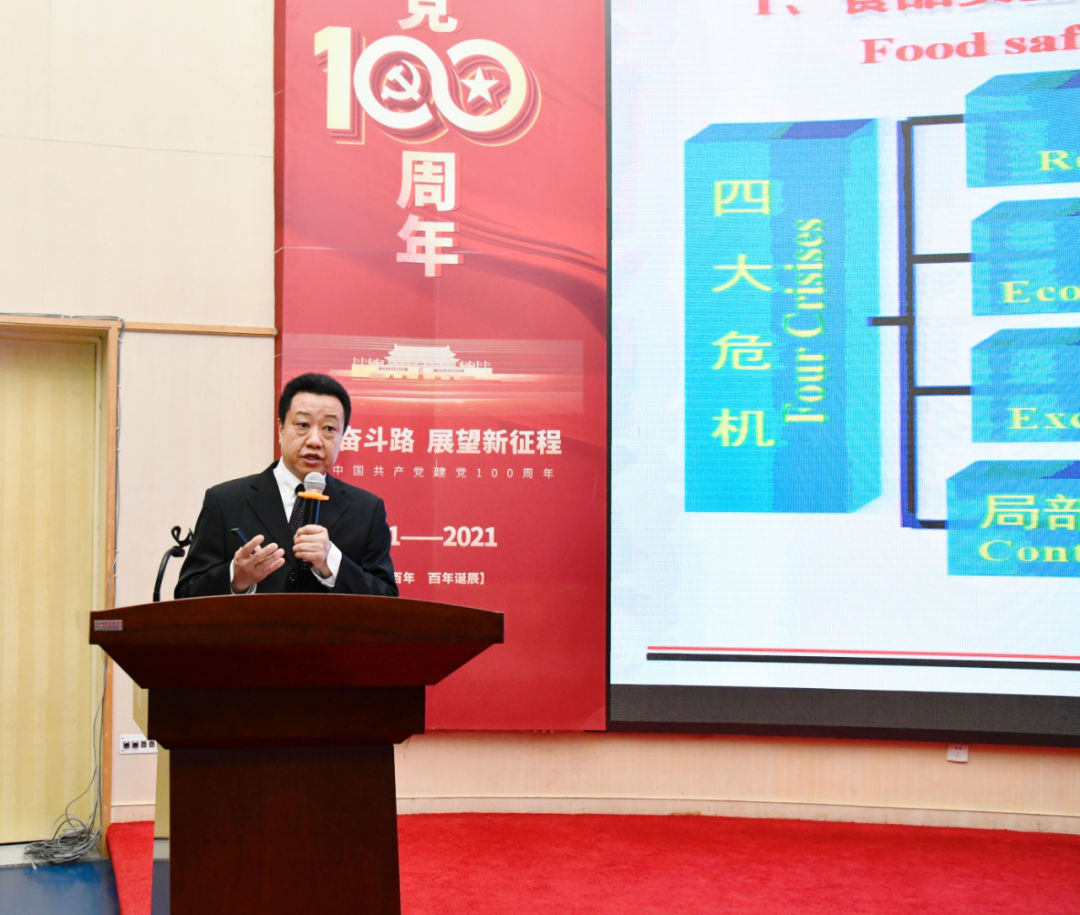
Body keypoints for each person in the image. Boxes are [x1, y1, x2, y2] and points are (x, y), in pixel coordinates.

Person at [175, 373, 398, 598]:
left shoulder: (367, 510)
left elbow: (388, 601)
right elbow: (186, 594)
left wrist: (332, 562)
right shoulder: (225, 501)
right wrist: (236, 578)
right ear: (281, 428)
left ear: (343, 436)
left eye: (329, 428)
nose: (315, 440)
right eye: (303, 425)